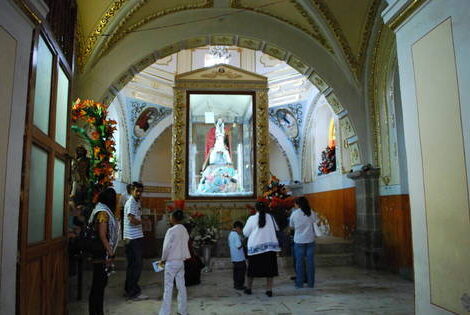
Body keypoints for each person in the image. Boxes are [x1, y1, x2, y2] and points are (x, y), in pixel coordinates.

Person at [88, 188, 120, 315]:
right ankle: (96, 312)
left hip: (101, 252)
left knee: (100, 284)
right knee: (98, 285)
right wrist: (110, 251)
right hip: (101, 253)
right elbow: (102, 234)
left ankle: (97, 311)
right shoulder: (103, 213)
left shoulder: (100, 208)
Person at [243, 201, 280, 297]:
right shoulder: (271, 217)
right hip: (270, 248)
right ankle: (269, 290)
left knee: (252, 270)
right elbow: (277, 229)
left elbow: (245, 233)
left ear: (255, 209)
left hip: (256, 248)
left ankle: (248, 288)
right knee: (270, 270)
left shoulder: (252, 218)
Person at [159, 210, 191, 315]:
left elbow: (166, 248)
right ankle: (183, 311)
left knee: (168, 288)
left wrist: (163, 259)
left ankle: (165, 312)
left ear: (173, 219)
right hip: (181, 262)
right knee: (181, 287)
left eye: (170, 216)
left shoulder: (171, 231)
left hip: (171, 262)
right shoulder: (184, 230)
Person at [123, 182, 148, 300]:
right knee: (136, 265)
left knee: (133, 265)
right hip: (133, 238)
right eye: (137, 191)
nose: (139, 193)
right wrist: (144, 222)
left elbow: (135, 217)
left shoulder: (136, 201)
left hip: (134, 236)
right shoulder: (131, 202)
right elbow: (131, 219)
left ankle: (129, 289)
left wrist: (142, 219)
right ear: (131, 190)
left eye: (141, 191)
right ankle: (133, 292)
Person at [289, 196, 318, 288]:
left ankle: (299, 283)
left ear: (298, 204)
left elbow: (291, 226)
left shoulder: (295, 214)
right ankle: (311, 283)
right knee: (310, 263)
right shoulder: (311, 212)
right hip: (310, 240)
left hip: (299, 240)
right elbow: (316, 222)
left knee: (299, 263)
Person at [229, 221, 247, 290]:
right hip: (239, 257)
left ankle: (236, 284)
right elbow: (239, 246)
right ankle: (240, 285)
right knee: (241, 272)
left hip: (234, 257)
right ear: (237, 228)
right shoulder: (236, 235)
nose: (241, 231)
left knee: (236, 272)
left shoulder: (230, 234)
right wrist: (244, 241)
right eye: (240, 229)